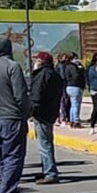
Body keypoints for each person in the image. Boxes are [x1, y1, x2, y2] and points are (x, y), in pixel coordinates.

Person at [0, 36, 31, 193]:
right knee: (14, 156)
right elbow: (20, 95)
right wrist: (26, 112)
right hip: (12, 118)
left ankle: (8, 188)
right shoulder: (12, 67)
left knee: (1, 155)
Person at [29, 52, 64, 184]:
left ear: (42, 62)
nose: (34, 62)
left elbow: (36, 96)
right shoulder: (54, 75)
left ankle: (50, 173)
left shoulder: (43, 75)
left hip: (42, 113)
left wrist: (31, 111)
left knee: (44, 144)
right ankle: (47, 169)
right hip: (50, 112)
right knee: (45, 142)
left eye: (37, 60)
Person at [62, 52, 86, 128]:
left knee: (72, 104)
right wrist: (80, 69)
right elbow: (75, 76)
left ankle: (72, 120)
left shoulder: (66, 66)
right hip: (75, 86)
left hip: (69, 86)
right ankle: (76, 121)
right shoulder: (73, 67)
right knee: (76, 104)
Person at [86, 53, 97, 135]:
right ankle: (92, 126)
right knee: (96, 108)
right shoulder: (92, 69)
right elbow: (95, 77)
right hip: (95, 90)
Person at [56, 53, 71, 127]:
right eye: (65, 57)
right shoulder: (61, 65)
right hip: (63, 85)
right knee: (63, 101)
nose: (66, 59)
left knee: (64, 101)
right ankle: (63, 118)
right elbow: (63, 76)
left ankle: (62, 117)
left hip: (62, 85)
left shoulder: (62, 65)